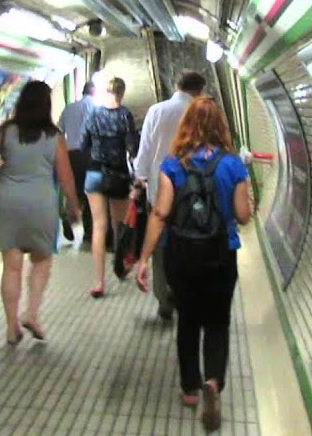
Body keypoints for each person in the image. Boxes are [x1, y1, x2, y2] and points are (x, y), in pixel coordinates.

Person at [135, 97, 253, 432]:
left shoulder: (172, 165)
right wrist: (249, 205)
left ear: (187, 125)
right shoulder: (233, 165)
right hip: (220, 254)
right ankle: (213, 382)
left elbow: (160, 214)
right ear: (221, 126)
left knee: (188, 320)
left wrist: (144, 258)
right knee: (217, 322)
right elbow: (243, 216)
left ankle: (189, 389)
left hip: (181, 255)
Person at [0, 81, 82, 344]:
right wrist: (73, 205)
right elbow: (65, 176)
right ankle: (32, 313)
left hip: (6, 203)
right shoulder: (55, 137)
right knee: (42, 260)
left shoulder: (5, 131)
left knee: (11, 266)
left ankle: (11, 326)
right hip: (40, 204)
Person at [132, 69, 206, 319]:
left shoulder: (157, 111)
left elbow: (145, 149)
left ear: (177, 86)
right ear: (199, 90)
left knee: (161, 246)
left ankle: (164, 296)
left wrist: (139, 178)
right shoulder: (201, 113)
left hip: (160, 191)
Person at [80, 77, 136, 297]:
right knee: (118, 225)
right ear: (122, 93)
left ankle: (99, 282)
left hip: (94, 173)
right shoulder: (125, 115)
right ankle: (120, 268)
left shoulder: (93, 113)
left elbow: (83, 143)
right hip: (119, 173)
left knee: (99, 226)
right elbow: (131, 146)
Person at [57, 81, 96, 245]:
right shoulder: (95, 108)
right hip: (89, 155)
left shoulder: (68, 108)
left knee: (74, 190)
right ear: (93, 92)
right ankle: (88, 231)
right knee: (89, 193)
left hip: (71, 155)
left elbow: (60, 131)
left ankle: (68, 217)